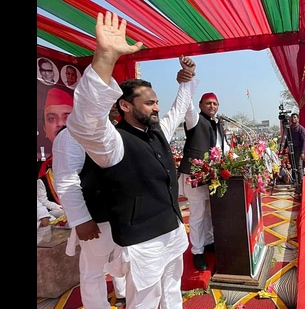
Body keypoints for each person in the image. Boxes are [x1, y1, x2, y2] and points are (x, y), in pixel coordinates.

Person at [65, 11, 195, 309]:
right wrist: (105, 58)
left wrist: (187, 80)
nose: (156, 108)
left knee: (172, 292)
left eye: (156, 102)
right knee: (145, 301)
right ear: (125, 105)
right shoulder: (112, 141)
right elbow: (85, 122)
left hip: (172, 230)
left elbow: (179, 108)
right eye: (149, 103)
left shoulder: (157, 131)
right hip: (143, 241)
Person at [53, 122, 127, 307]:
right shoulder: (71, 133)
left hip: (124, 213)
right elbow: (66, 179)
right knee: (93, 271)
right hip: (95, 218)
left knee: (127, 261)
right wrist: (81, 219)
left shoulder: (117, 129)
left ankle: (122, 293)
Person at [177, 91, 229, 271]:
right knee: (198, 214)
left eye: (215, 104)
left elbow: (222, 148)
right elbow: (187, 105)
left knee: (208, 211)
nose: (212, 106)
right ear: (200, 105)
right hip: (195, 175)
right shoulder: (194, 120)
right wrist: (187, 83)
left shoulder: (218, 124)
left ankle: (208, 242)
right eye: (208, 103)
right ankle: (197, 251)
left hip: (212, 176)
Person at [284, 112, 305, 193]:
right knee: (293, 165)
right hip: (291, 149)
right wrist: (284, 148)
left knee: (299, 166)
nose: (293, 119)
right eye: (292, 118)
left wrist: (302, 152)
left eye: (295, 117)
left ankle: (300, 183)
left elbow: (304, 141)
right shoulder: (289, 128)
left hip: (298, 150)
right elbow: (287, 139)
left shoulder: (301, 129)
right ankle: (294, 182)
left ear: (298, 119)